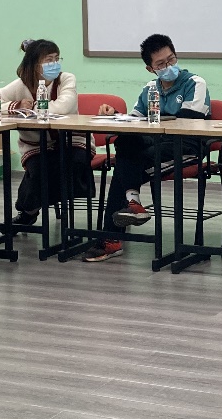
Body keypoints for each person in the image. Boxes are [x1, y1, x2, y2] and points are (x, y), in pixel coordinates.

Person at [83, 33, 210, 263]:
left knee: (123, 169)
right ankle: (133, 205)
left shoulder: (195, 83)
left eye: (171, 60)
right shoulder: (150, 88)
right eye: (161, 64)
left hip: (185, 145)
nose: (168, 66)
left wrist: (151, 123)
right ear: (150, 69)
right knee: (126, 141)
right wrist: (115, 115)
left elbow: (187, 121)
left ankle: (113, 236)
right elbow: (134, 122)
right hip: (155, 144)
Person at [0, 38, 94, 229]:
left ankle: (29, 210)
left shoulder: (66, 79)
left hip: (73, 140)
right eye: (49, 59)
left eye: (57, 58)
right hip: (35, 146)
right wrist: (15, 106)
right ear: (35, 64)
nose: (54, 64)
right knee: (40, 168)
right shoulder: (20, 85)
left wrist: (32, 108)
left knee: (71, 162)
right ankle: (31, 212)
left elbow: (64, 106)